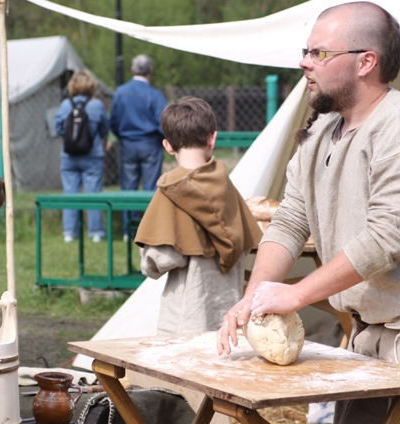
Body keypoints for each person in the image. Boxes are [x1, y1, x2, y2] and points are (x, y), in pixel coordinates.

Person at [217, 1, 400, 424]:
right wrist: (254, 298)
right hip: (368, 345)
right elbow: (290, 220)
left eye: (319, 52)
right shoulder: (320, 133)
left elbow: (387, 236)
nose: (304, 62)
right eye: (306, 51)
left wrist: (295, 295)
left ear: (365, 61)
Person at [135, 97, 261, 335]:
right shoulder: (229, 190)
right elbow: (243, 243)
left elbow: (158, 261)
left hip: (186, 319)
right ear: (212, 138)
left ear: (168, 146)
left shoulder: (169, 193)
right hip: (228, 315)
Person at [109, 54, 168, 238]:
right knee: (151, 190)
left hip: (127, 144)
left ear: (132, 69)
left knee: (128, 189)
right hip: (150, 144)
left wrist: (122, 136)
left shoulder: (120, 92)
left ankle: (129, 231)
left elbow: (113, 121)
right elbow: (163, 122)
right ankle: (150, 231)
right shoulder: (155, 95)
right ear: (150, 70)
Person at [54, 70, 110, 243]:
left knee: (70, 193)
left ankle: (69, 233)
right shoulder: (97, 105)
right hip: (92, 156)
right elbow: (104, 129)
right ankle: (96, 232)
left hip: (69, 156)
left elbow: (58, 128)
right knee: (93, 194)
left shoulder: (65, 105)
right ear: (91, 86)